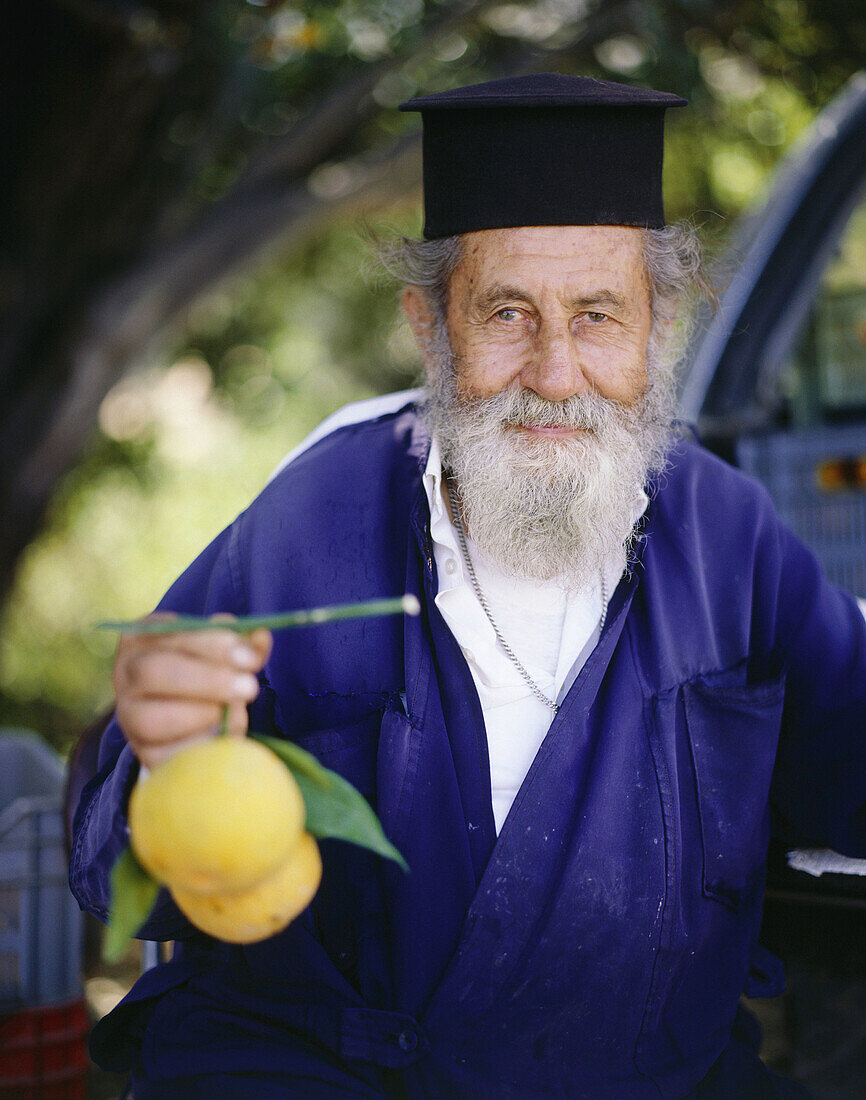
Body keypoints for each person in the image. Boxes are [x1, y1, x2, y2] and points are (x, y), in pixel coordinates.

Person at [70, 73, 866, 1099]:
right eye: (505, 312)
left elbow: (848, 758)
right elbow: (115, 859)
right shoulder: (314, 520)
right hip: (321, 1075)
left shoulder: (729, 535)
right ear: (429, 325)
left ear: (656, 328)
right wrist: (165, 752)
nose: (553, 369)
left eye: (596, 315)